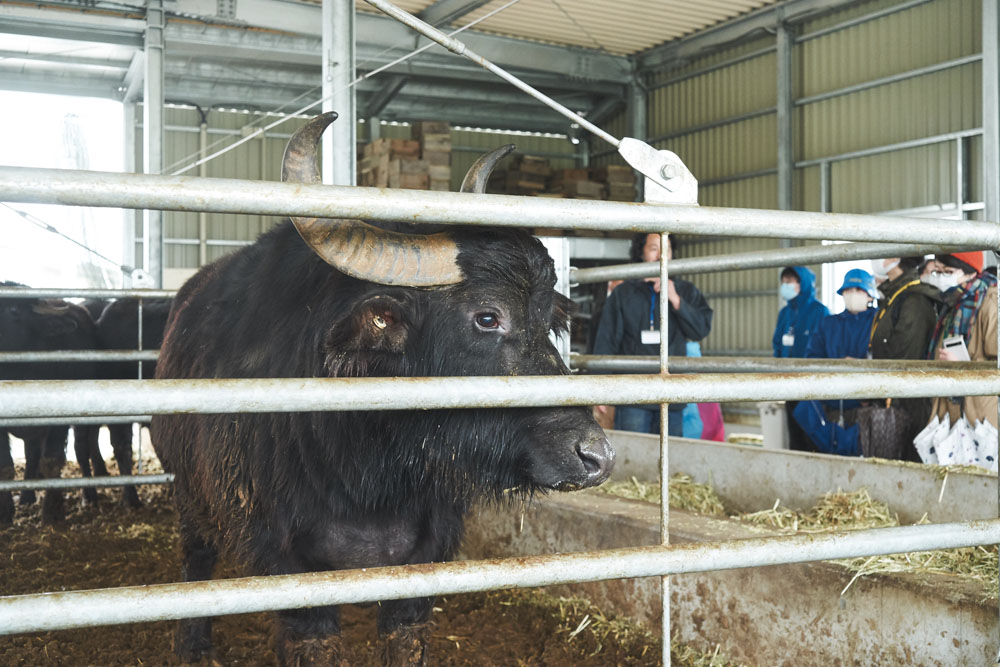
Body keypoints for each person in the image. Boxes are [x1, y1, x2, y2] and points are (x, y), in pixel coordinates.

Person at [593, 233, 713, 436]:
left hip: (671, 395)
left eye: (667, 249)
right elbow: (606, 341)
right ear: (641, 252)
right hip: (633, 396)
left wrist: (675, 299)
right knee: (633, 452)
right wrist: (599, 389)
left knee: (669, 452)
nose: (661, 256)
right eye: (654, 248)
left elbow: (701, 330)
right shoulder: (623, 293)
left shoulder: (684, 290)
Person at [792, 269, 878, 455]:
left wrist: (860, 368)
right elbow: (812, 359)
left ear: (870, 296)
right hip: (830, 406)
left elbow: (887, 359)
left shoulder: (879, 323)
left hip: (866, 408)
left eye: (859, 290)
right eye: (848, 290)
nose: (853, 294)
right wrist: (836, 367)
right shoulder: (828, 324)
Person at [869, 256, 944, 458]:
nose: (874, 258)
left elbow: (906, 360)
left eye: (882, 251)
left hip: (907, 405)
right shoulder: (894, 296)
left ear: (896, 257)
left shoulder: (914, 301)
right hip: (892, 398)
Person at [927, 252, 998, 428]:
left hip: (979, 415)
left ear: (970, 271)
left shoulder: (991, 300)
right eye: (938, 271)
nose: (942, 277)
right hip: (951, 404)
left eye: (948, 272)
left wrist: (963, 366)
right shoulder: (953, 301)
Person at [772, 265, 829, 450]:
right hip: (789, 385)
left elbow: (825, 348)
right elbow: (777, 344)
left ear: (802, 283)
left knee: (814, 436)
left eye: (789, 281)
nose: (785, 286)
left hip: (811, 387)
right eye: (783, 282)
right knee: (795, 436)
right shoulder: (785, 314)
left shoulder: (820, 312)